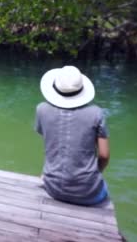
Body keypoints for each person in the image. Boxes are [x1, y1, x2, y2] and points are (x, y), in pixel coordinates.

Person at [35, 65, 110, 206]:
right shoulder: (97, 113)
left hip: (53, 187)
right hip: (88, 192)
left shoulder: (41, 109)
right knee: (105, 193)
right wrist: (95, 173)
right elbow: (104, 156)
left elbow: (52, 144)